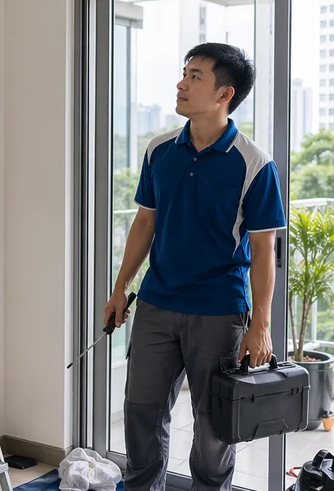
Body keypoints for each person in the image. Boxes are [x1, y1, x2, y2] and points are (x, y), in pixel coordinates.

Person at [104, 43, 285, 491]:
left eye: (196, 76)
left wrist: (260, 326)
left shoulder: (255, 163)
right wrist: (119, 288)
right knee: (141, 414)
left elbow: (265, 252)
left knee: (213, 428)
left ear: (225, 93)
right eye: (184, 73)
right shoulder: (160, 151)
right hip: (156, 304)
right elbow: (145, 222)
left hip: (219, 311)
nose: (182, 84)